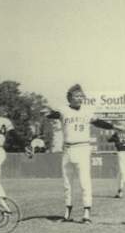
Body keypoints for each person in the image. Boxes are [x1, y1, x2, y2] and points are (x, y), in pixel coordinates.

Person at [45, 84, 115, 224]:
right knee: (67, 183)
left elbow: (99, 122)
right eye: (76, 96)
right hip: (67, 149)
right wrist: (47, 111)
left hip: (82, 148)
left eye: (80, 96)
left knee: (85, 181)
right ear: (70, 97)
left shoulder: (87, 111)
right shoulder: (63, 110)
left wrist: (114, 126)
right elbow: (51, 115)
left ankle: (86, 213)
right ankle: (67, 213)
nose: (79, 98)